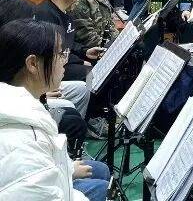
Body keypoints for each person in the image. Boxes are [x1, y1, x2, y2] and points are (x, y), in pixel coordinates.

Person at [0, 19, 110, 201]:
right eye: (60, 54)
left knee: (100, 171)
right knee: (103, 188)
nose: (65, 61)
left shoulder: (22, 108)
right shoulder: (23, 142)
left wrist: (67, 168)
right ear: (32, 64)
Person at [36, 0, 105, 82]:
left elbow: (68, 44)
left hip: (64, 62)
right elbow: (50, 53)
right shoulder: (45, 14)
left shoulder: (66, 11)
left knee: (101, 67)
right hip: (50, 70)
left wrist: (84, 51)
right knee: (92, 75)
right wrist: (79, 61)